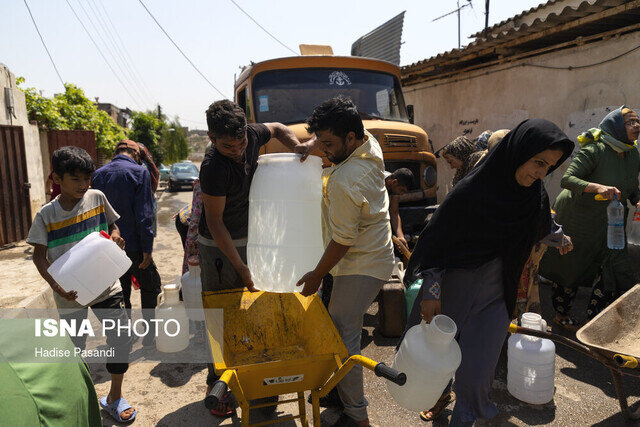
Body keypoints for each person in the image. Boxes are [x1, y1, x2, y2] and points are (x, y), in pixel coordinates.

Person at [403, 119, 574, 426]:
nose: (541, 173)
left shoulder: (534, 195)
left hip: (497, 295)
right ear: (518, 152)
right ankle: (436, 396)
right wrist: (431, 290)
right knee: (437, 361)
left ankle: (465, 418)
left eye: (549, 167)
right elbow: (437, 240)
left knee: (478, 371)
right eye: (538, 162)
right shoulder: (471, 192)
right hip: (455, 290)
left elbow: (539, 226)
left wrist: (559, 237)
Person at [198, 100, 312, 416]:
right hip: (218, 247)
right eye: (226, 145)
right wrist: (240, 266)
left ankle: (253, 379)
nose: (236, 150)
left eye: (241, 143)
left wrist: (297, 145)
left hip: (251, 236)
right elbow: (216, 223)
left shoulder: (250, 134)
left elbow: (276, 129)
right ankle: (217, 382)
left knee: (255, 309)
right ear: (211, 138)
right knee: (223, 313)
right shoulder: (213, 168)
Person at [297, 96, 395, 427]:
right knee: (340, 331)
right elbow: (328, 140)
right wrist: (312, 144)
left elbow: (342, 240)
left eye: (328, 144)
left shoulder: (344, 180)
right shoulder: (369, 143)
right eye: (320, 141)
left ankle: (357, 415)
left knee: (343, 336)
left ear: (350, 138)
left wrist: (316, 276)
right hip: (375, 254)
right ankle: (339, 395)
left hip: (360, 265)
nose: (323, 149)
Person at [26, 146, 136, 422]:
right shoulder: (46, 215)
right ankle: (81, 399)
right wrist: (56, 286)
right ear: (57, 179)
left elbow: (113, 227)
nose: (83, 185)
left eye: (87, 178)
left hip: (106, 285)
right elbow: (39, 256)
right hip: (70, 294)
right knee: (75, 349)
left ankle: (114, 397)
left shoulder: (97, 197)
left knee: (121, 337)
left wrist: (116, 237)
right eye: (75, 179)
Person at [540, 106, 640, 330]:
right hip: (580, 219)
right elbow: (568, 179)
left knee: (614, 270)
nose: (637, 126)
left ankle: (593, 321)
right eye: (630, 122)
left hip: (612, 222)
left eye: (637, 122)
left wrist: (637, 199)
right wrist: (597, 187)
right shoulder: (595, 150)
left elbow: (630, 185)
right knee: (571, 268)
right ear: (615, 125)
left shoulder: (633, 154)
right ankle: (561, 315)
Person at [92, 139, 162, 346]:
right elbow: (144, 215)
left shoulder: (98, 174)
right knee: (152, 287)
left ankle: (126, 336)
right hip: (135, 247)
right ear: (136, 155)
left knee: (121, 292)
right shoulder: (139, 172)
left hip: (108, 246)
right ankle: (149, 335)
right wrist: (147, 249)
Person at [384, 168, 414, 249]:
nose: (401, 194)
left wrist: (401, 237)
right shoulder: (378, 182)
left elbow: (394, 213)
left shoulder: (394, 187)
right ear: (394, 182)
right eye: (401, 190)